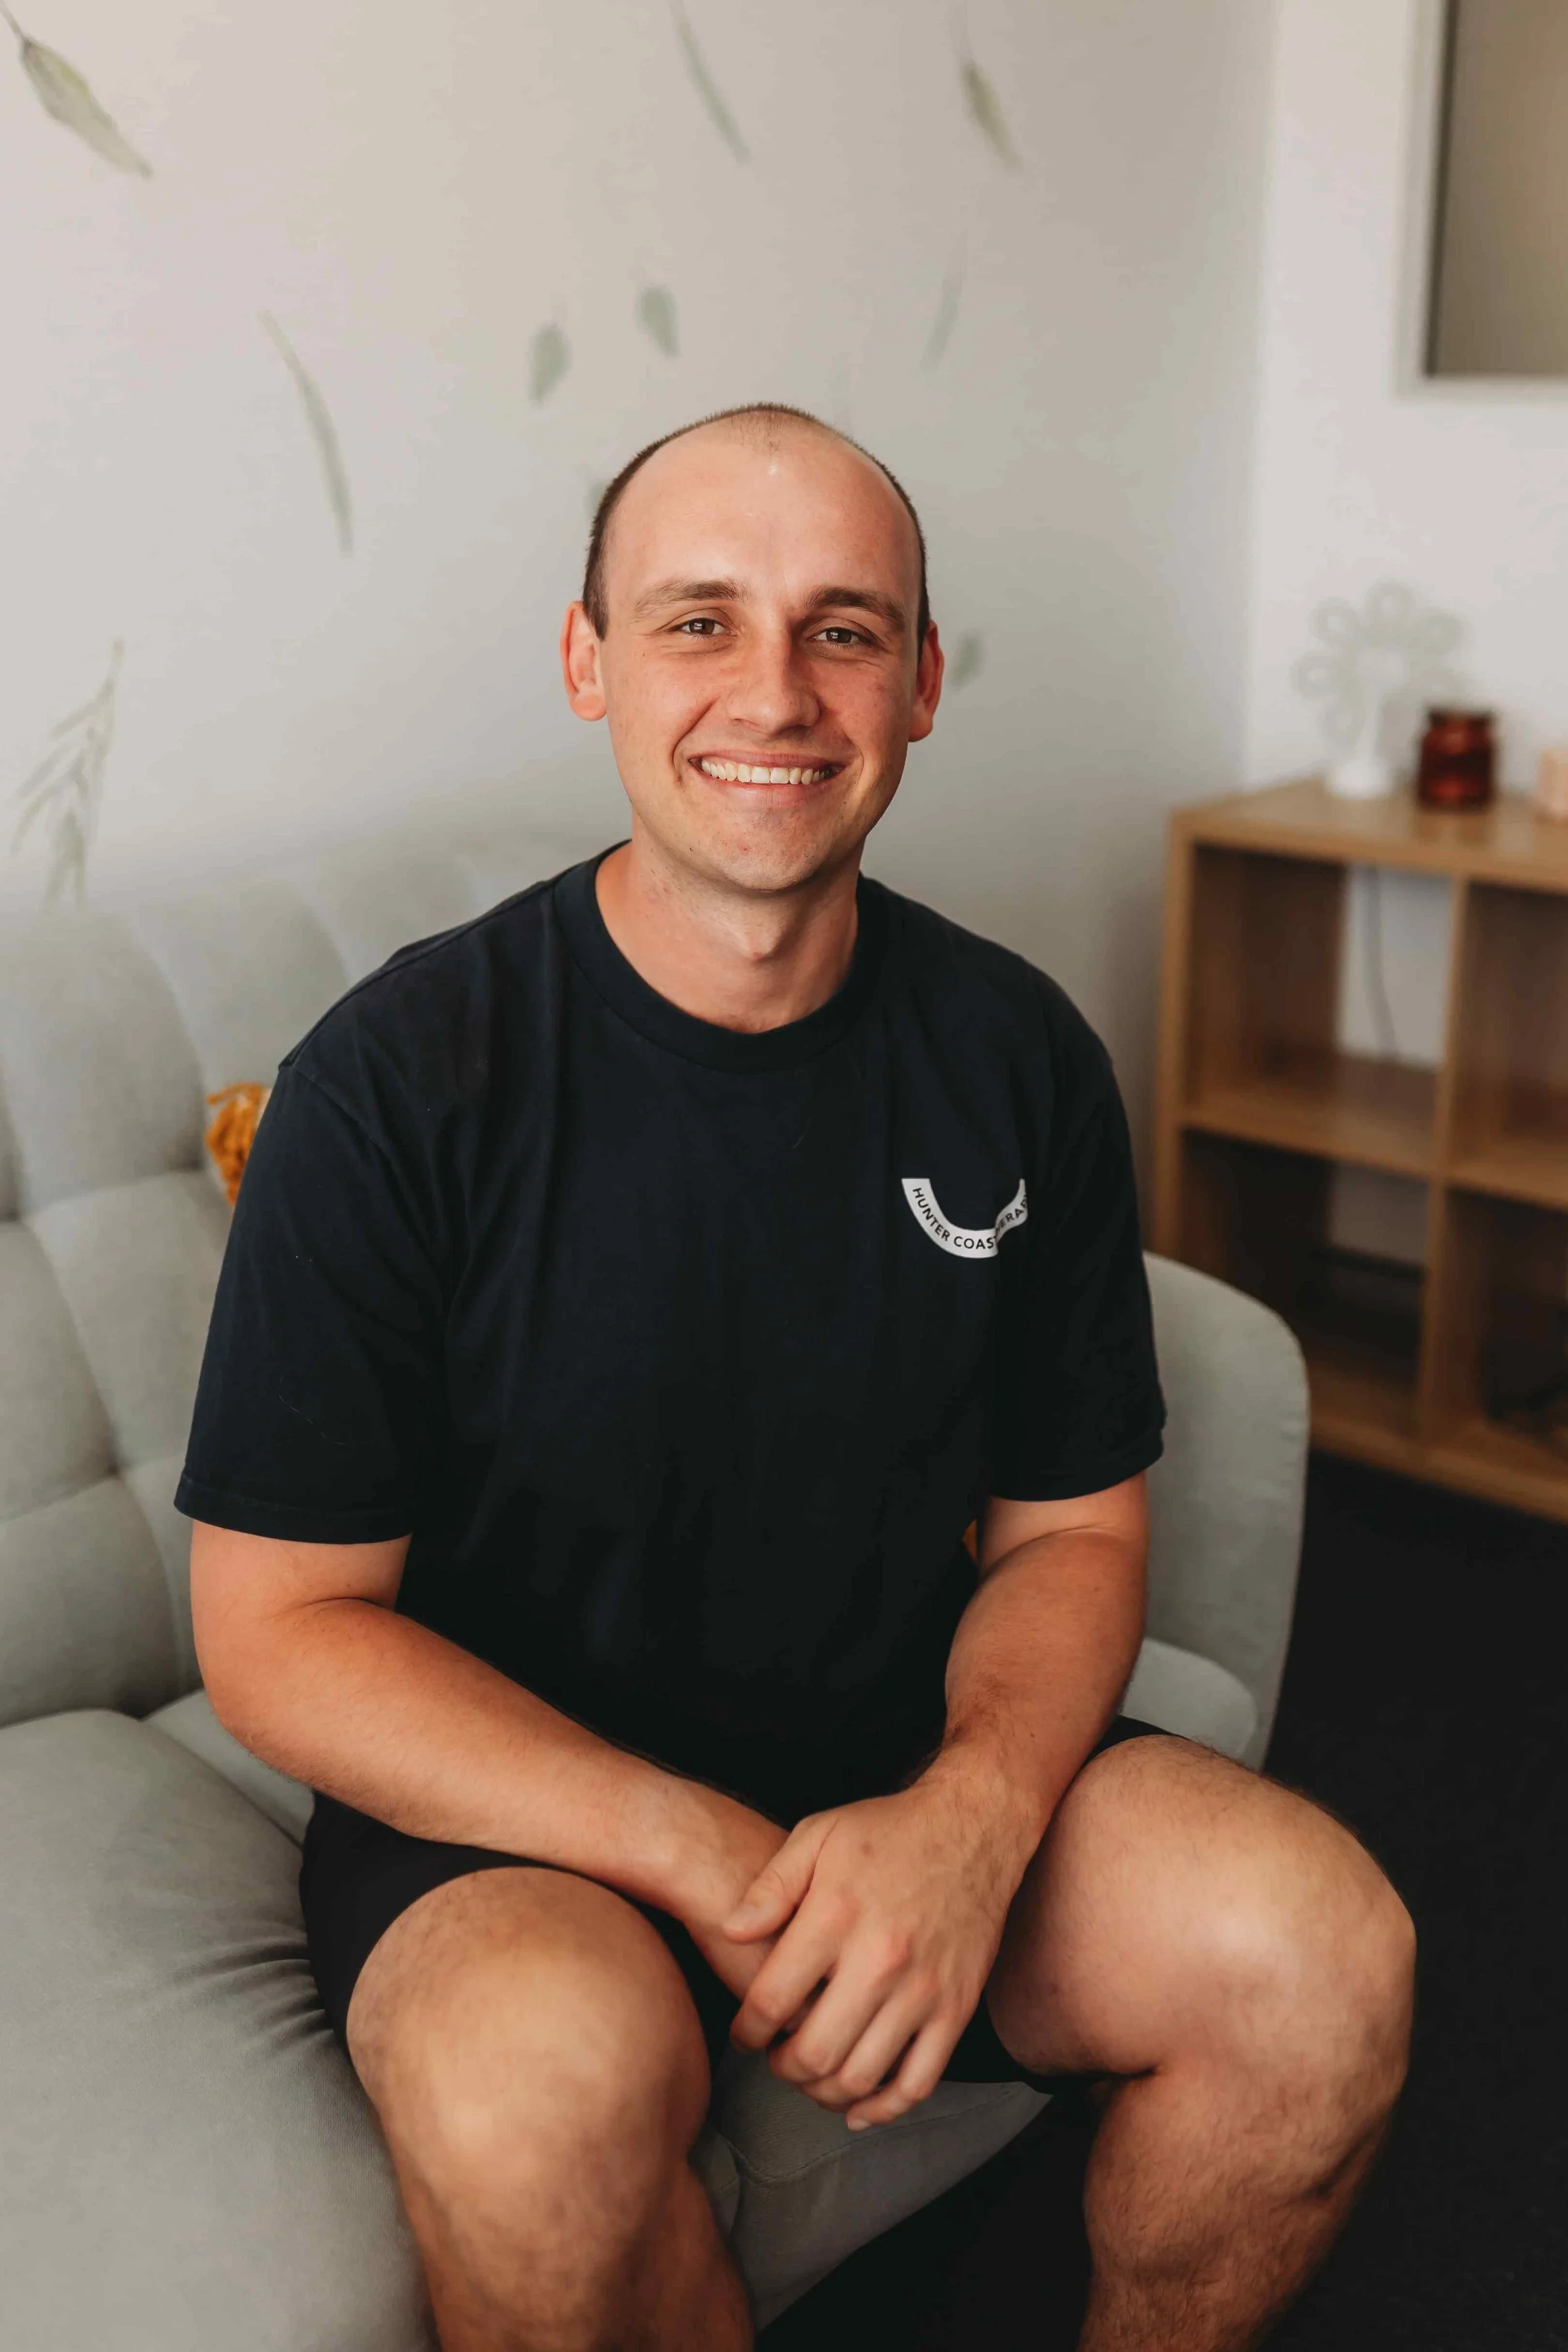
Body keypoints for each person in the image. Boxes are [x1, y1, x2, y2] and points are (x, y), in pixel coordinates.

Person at [177, 403, 1414, 2352]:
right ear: (588, 660)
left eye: (844, 628)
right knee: (528, 2109)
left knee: (1319, 1957)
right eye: (697, 620)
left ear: (920, 683)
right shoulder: (396, 1080)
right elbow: (276, 1631)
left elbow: (1073, 1531)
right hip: (514, 1803)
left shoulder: (1015, 1056)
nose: (777, 688)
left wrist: (973, 1814)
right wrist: (691, 1842)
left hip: (892, 1736)